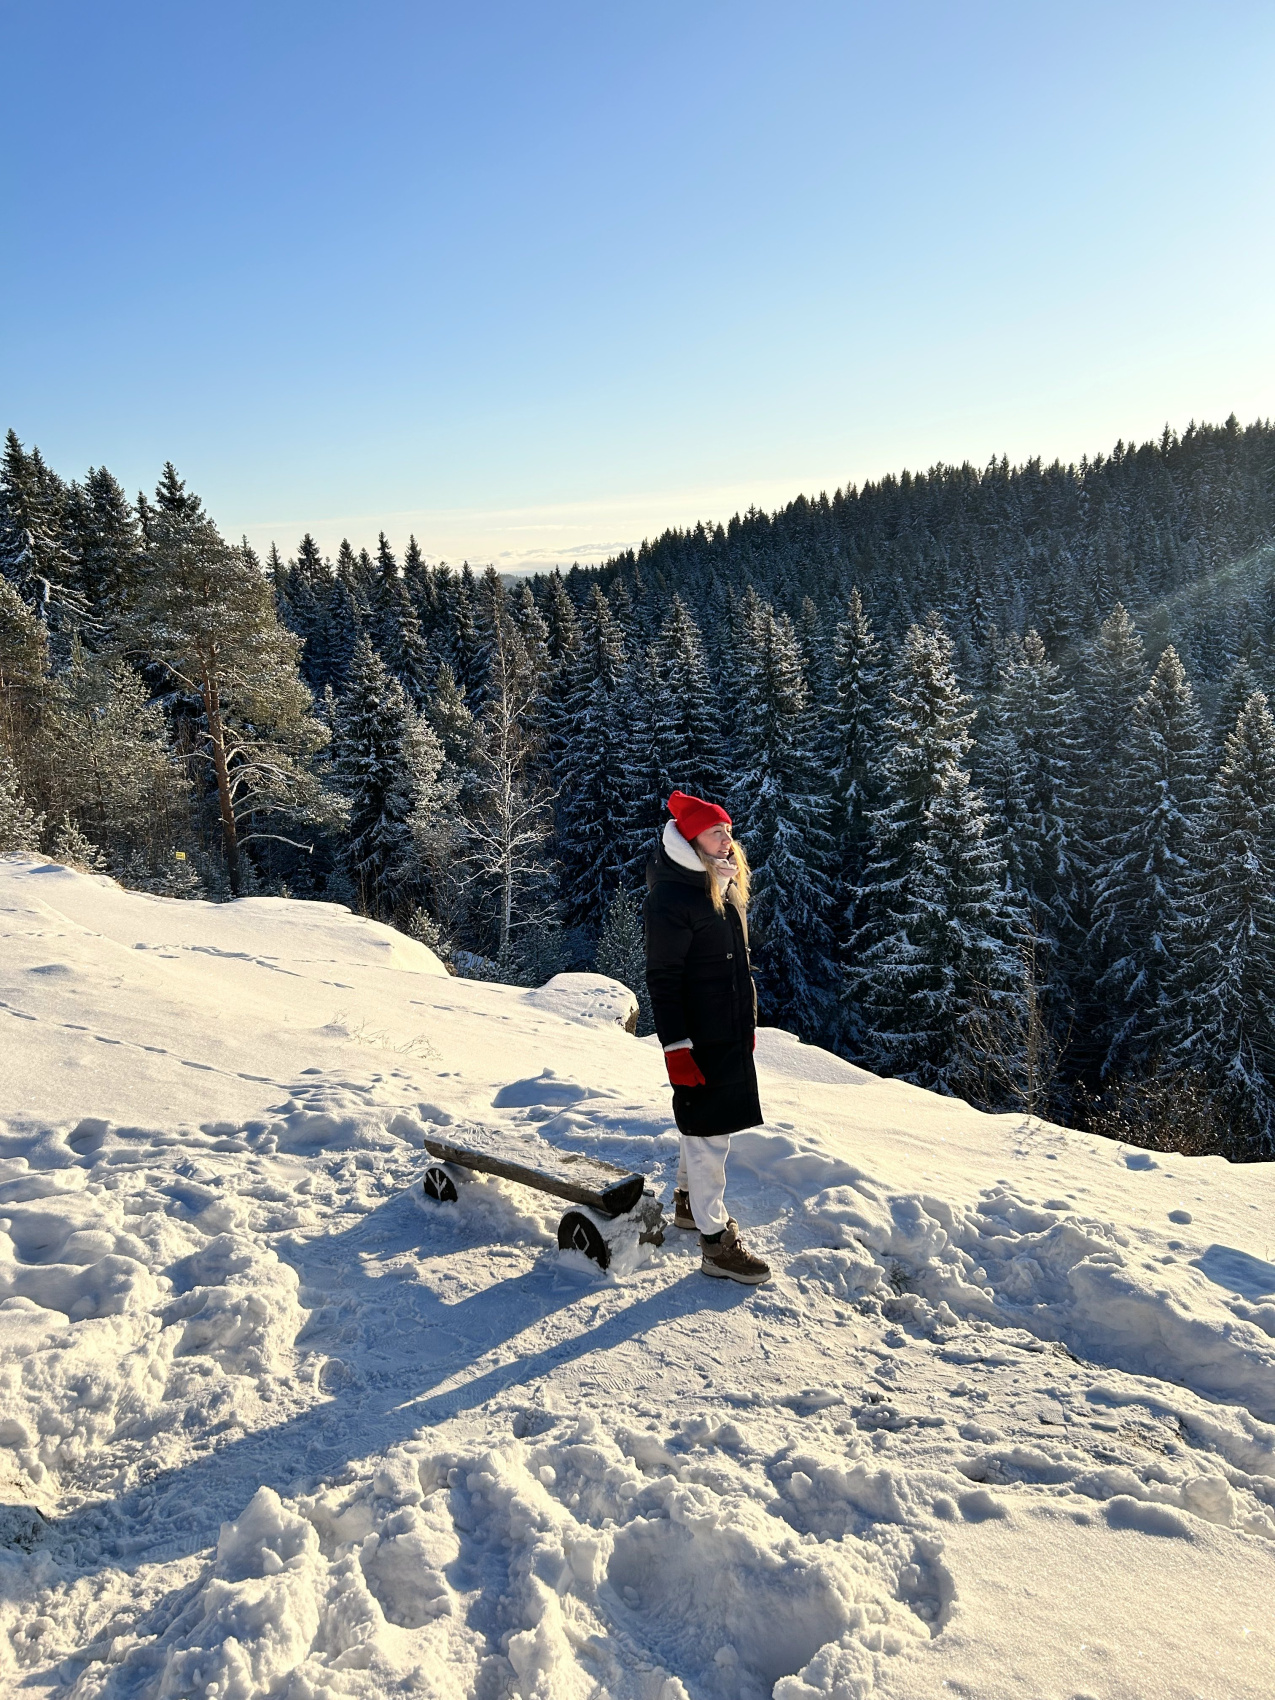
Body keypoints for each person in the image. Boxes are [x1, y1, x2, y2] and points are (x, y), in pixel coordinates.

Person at [644, 789, 771, 1284]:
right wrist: (676, 1048)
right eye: (717, 832)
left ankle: (686, 1204)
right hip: (698, 1034)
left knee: (703, 1124)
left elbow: (736, 965)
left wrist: (748, 1020)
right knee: (708, 1135)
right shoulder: (673, 896)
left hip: (727, 1027)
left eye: (729, 832)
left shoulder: (721, 883)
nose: (727, 840)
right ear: (691, 837)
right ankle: (716, 1243)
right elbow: (663, 978)